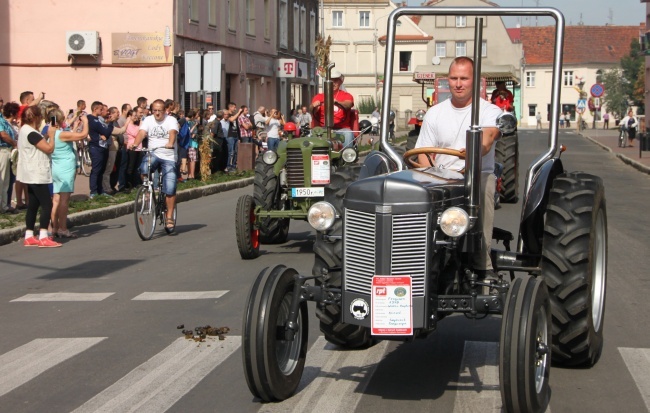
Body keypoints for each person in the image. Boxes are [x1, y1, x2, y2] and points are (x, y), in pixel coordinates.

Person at [415, 56, 502, 277]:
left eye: (464, 78)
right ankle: (416, 258)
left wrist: (474, 150)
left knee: (482, 188)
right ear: (447, 81)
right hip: (443, 175)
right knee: (414, 192)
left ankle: (483, 264)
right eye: (454, 78)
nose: (458, 83)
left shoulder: (488, 111)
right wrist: (429, 175)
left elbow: (489, 137)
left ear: (475, 81)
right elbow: (423, 153)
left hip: (475, 172)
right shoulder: (435, 113)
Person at [131, 99, 179, 232]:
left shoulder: (171, 120)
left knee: (170, 186)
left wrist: (170, 143)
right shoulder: (148, 120)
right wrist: (135, 143)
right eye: (155, 110)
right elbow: (142, 133)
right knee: (143, 168)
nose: (157, 113)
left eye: (160, 111)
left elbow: (173, 133)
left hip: (168, 156)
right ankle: (148, 190)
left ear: (165, 111)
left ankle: (169, 216)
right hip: (154, 153)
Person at [16, 106, 61, 247]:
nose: (42, 119)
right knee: (47, 204)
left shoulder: (25, 130)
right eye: (40, 117)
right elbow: (48, 148)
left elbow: (38, 143)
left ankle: (29, 235)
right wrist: (52, 136)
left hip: (29, 172)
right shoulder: (31, 133)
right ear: (35, 118)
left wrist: (46, 135)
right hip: (37, 173)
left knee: (33, 204)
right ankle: (43, 236)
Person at [49, 108, 89, 238]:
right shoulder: (61, 134)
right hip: (65, 168)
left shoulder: (51, 133)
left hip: (56, 168)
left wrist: (75, 127)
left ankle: (54, 227)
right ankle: (63, 228)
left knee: (56, 199)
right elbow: (83, 135)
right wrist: (85, 122)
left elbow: (69, 137)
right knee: (64, 200)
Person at [310, 69, 355, 146]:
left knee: (348, 134)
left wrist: (337, 102)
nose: (333, 83)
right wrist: (314, 107)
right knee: (310, 135)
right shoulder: (319, 97)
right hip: (323, 129)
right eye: (331, 80)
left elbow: (348, 104)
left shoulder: (346, 95)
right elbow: (311, 108)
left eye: (336, 80)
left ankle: (346, 155)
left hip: (341, 129)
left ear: (340, 82)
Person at [87, 101, 115, 198]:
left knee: (102, 170)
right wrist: (111, 123)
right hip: (96, 147)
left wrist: (106, 131)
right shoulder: (91, 119)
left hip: (103, 147)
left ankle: (100, 190)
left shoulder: (98, 120)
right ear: (95, 109)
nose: (102, 111)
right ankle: (93, 192)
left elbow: (105, 134)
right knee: (96, 170)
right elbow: (106, 133)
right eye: (100, 109)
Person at [1, 102, 20, 213]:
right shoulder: (2, 121)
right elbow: (3, 135)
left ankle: (5, 205)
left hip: (9, 151)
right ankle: (3, 206)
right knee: (3, 179)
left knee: (7, 180)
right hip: (4, 150)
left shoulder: (5, 121)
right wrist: (14, 143)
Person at [224, 102, 242, 172]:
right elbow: (231, 120)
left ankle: (234, 165)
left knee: (235, 152)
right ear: (230, 107)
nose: (235, 109)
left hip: (235, 135)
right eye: (234, 107)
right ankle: (229, 166)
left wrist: (239, 137)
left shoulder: (235, 115)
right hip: (230, 135)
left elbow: (237, 126)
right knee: (231, 152)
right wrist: (239, 112)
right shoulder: (227, 114)